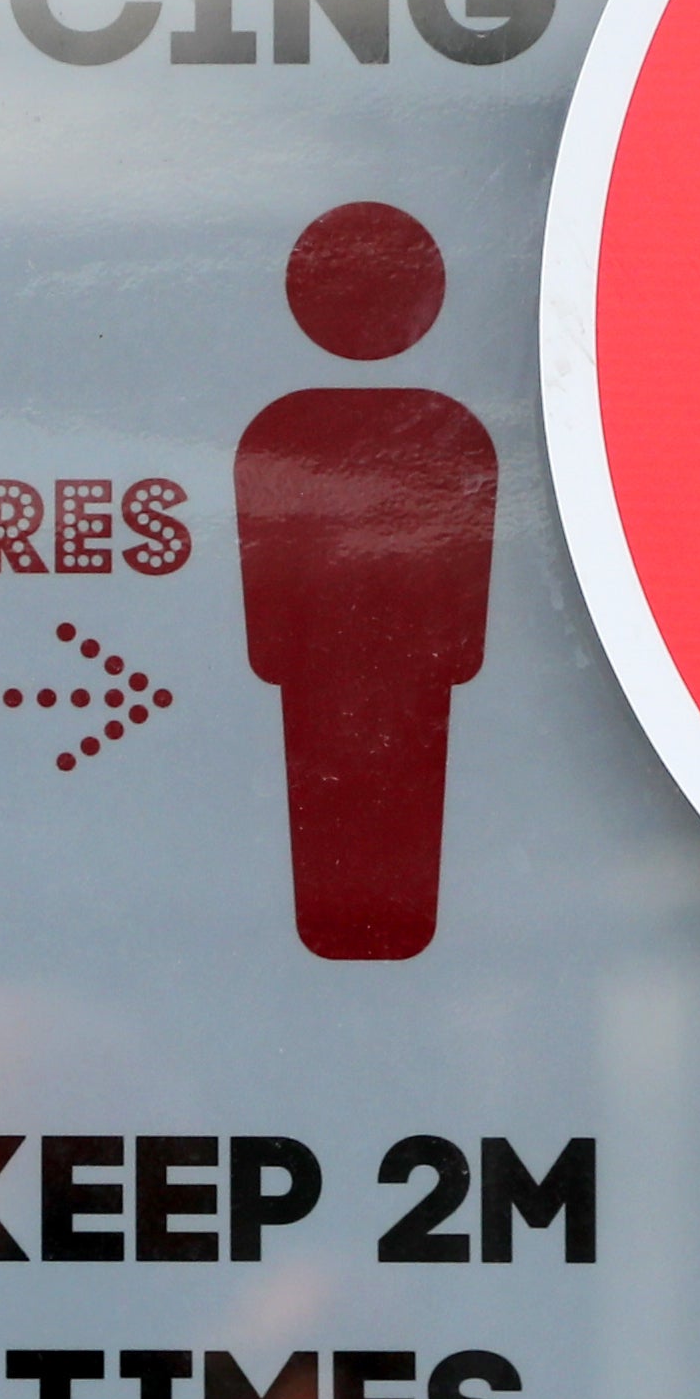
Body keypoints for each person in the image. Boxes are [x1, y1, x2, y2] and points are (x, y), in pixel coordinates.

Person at [236, 201, 497, 959]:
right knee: (381, 830)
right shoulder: (452, 431)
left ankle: (355, 937)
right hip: (399, 682)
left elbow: (267, 635)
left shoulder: (278, 432)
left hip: (336, 681)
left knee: (356, 829)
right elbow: (466, 635)